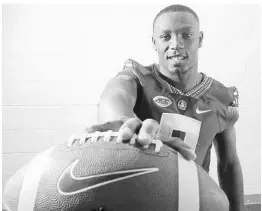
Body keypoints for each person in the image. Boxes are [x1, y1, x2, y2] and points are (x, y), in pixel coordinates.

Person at [86, 4, 244, 211]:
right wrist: (125, 123)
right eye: (166, 36)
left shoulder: (221, 97)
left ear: (200, 39)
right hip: (138, 200)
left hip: (192, 201)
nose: (176, 44)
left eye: (186, 35)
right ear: (154, 42)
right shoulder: (137, 78)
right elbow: (114, 96)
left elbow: (229, 163)